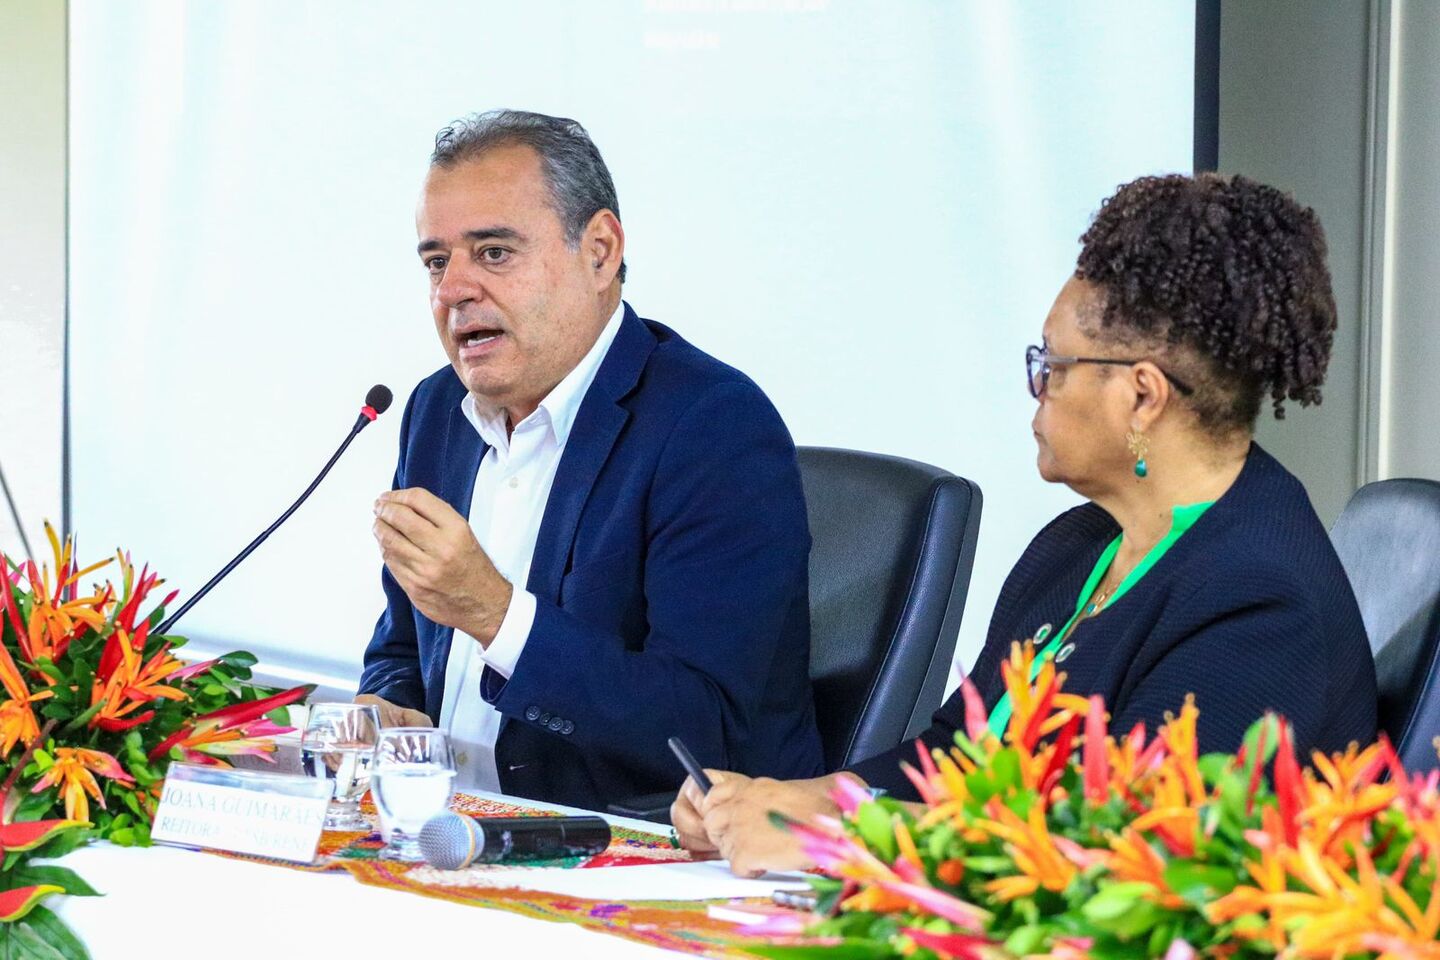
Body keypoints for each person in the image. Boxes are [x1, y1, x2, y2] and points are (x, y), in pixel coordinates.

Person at [673, 172, 1379, 875]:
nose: (1036, 389)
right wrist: (788, 801)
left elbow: (1127, 854)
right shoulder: (1076, 547)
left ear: (1142, 396)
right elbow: (953, 755)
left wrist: (840, 841)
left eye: (1054, 366)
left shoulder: (1260, 601)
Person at [357, 109, 824, 811]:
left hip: (646, 853)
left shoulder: (713, 426)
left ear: (600, 251)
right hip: (446, 833)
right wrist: (388, 711)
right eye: (436, 261)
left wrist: (496, 615)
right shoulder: (434, 414)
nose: (452, 290)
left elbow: (711, 730)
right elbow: (401, 646)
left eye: (492, 253)